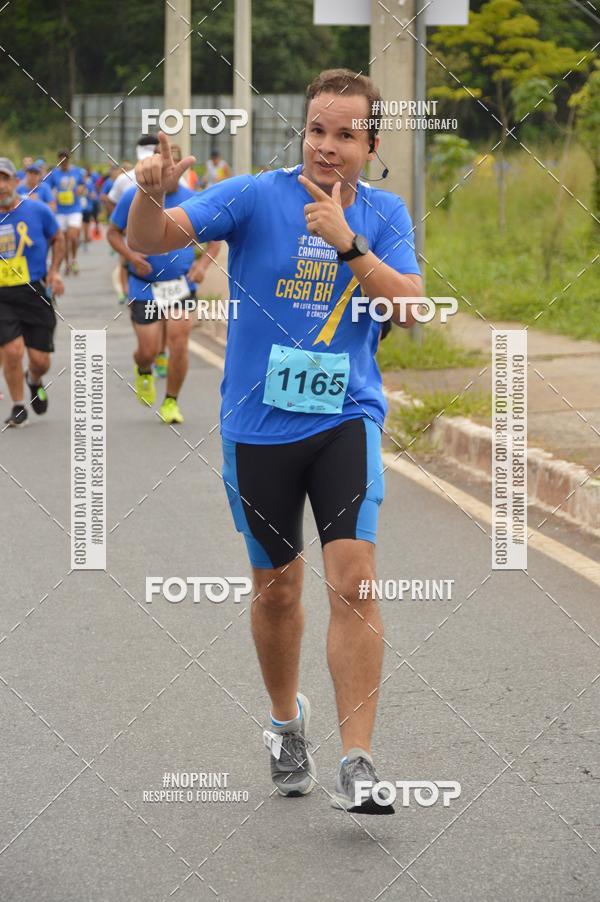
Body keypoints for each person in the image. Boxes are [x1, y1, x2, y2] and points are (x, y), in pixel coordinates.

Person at [127, 68, 423, 814]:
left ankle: (358, 760)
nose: (328, 147)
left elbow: (414, 308)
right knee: (278, 590)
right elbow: (156, 242)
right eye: (317, 130)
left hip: (344, 420)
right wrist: (152, 191)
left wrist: (350, 244)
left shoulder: (384, 215)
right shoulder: (256, 196)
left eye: (345, 134)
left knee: (354, 580)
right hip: (257, 427)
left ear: (371, 143)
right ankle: (286, 721)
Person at [107, 142, 220, 425]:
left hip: (179, 285)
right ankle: (143, 370)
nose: (170, 169)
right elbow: (112, 233)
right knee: (146, 351)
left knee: (179, 343)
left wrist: (202, 265)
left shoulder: (193, 198)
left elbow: (215, 240)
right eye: (165, 163)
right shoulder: (135, 195)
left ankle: (171, 401)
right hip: (143, 284)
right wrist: (131, 257)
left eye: (175, 164)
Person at [0, 157, 64, 427]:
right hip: (2, 295)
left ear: (16, 181)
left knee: (40, 360)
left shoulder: (37, 210)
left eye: (5, 179)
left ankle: (34, 379)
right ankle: (17, 404)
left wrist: (55, 272)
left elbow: (57, 238)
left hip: (34, 290)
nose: (1, 185)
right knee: (13, 351)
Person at [47, 149, 84, 275]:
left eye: (65, 160)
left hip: (74, 209)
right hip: (60, 211)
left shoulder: (76, 171)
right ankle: (67, 263)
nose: (63, 163)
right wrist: (51, 199)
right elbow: (47, 188)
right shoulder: (54, 174)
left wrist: (80, 189)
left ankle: (74, 259)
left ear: (68, 160)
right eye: (60, 160)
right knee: (63, 239)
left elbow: (82, 184)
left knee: (72, 237)